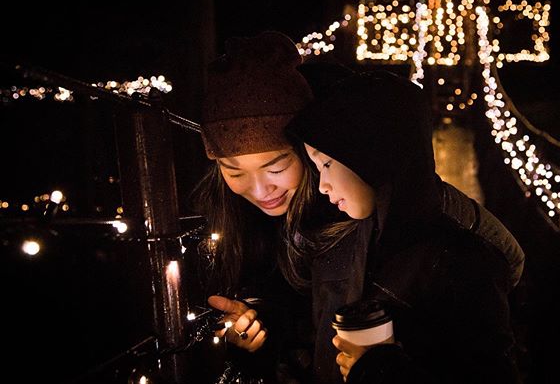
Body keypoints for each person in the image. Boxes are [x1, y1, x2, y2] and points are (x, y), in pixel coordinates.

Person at [284, 68, 523, 383]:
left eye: (327, 164)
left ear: (373, 153)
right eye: (316, 169)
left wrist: (382, 371)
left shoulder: (463, 263)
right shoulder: (344, 243)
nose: (322, 186)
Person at [193, 30, 317, 383]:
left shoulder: (343, 209)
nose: (261, 190)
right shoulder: (218, 221)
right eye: (234, 171)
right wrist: (244, 333)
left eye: (276, 167)